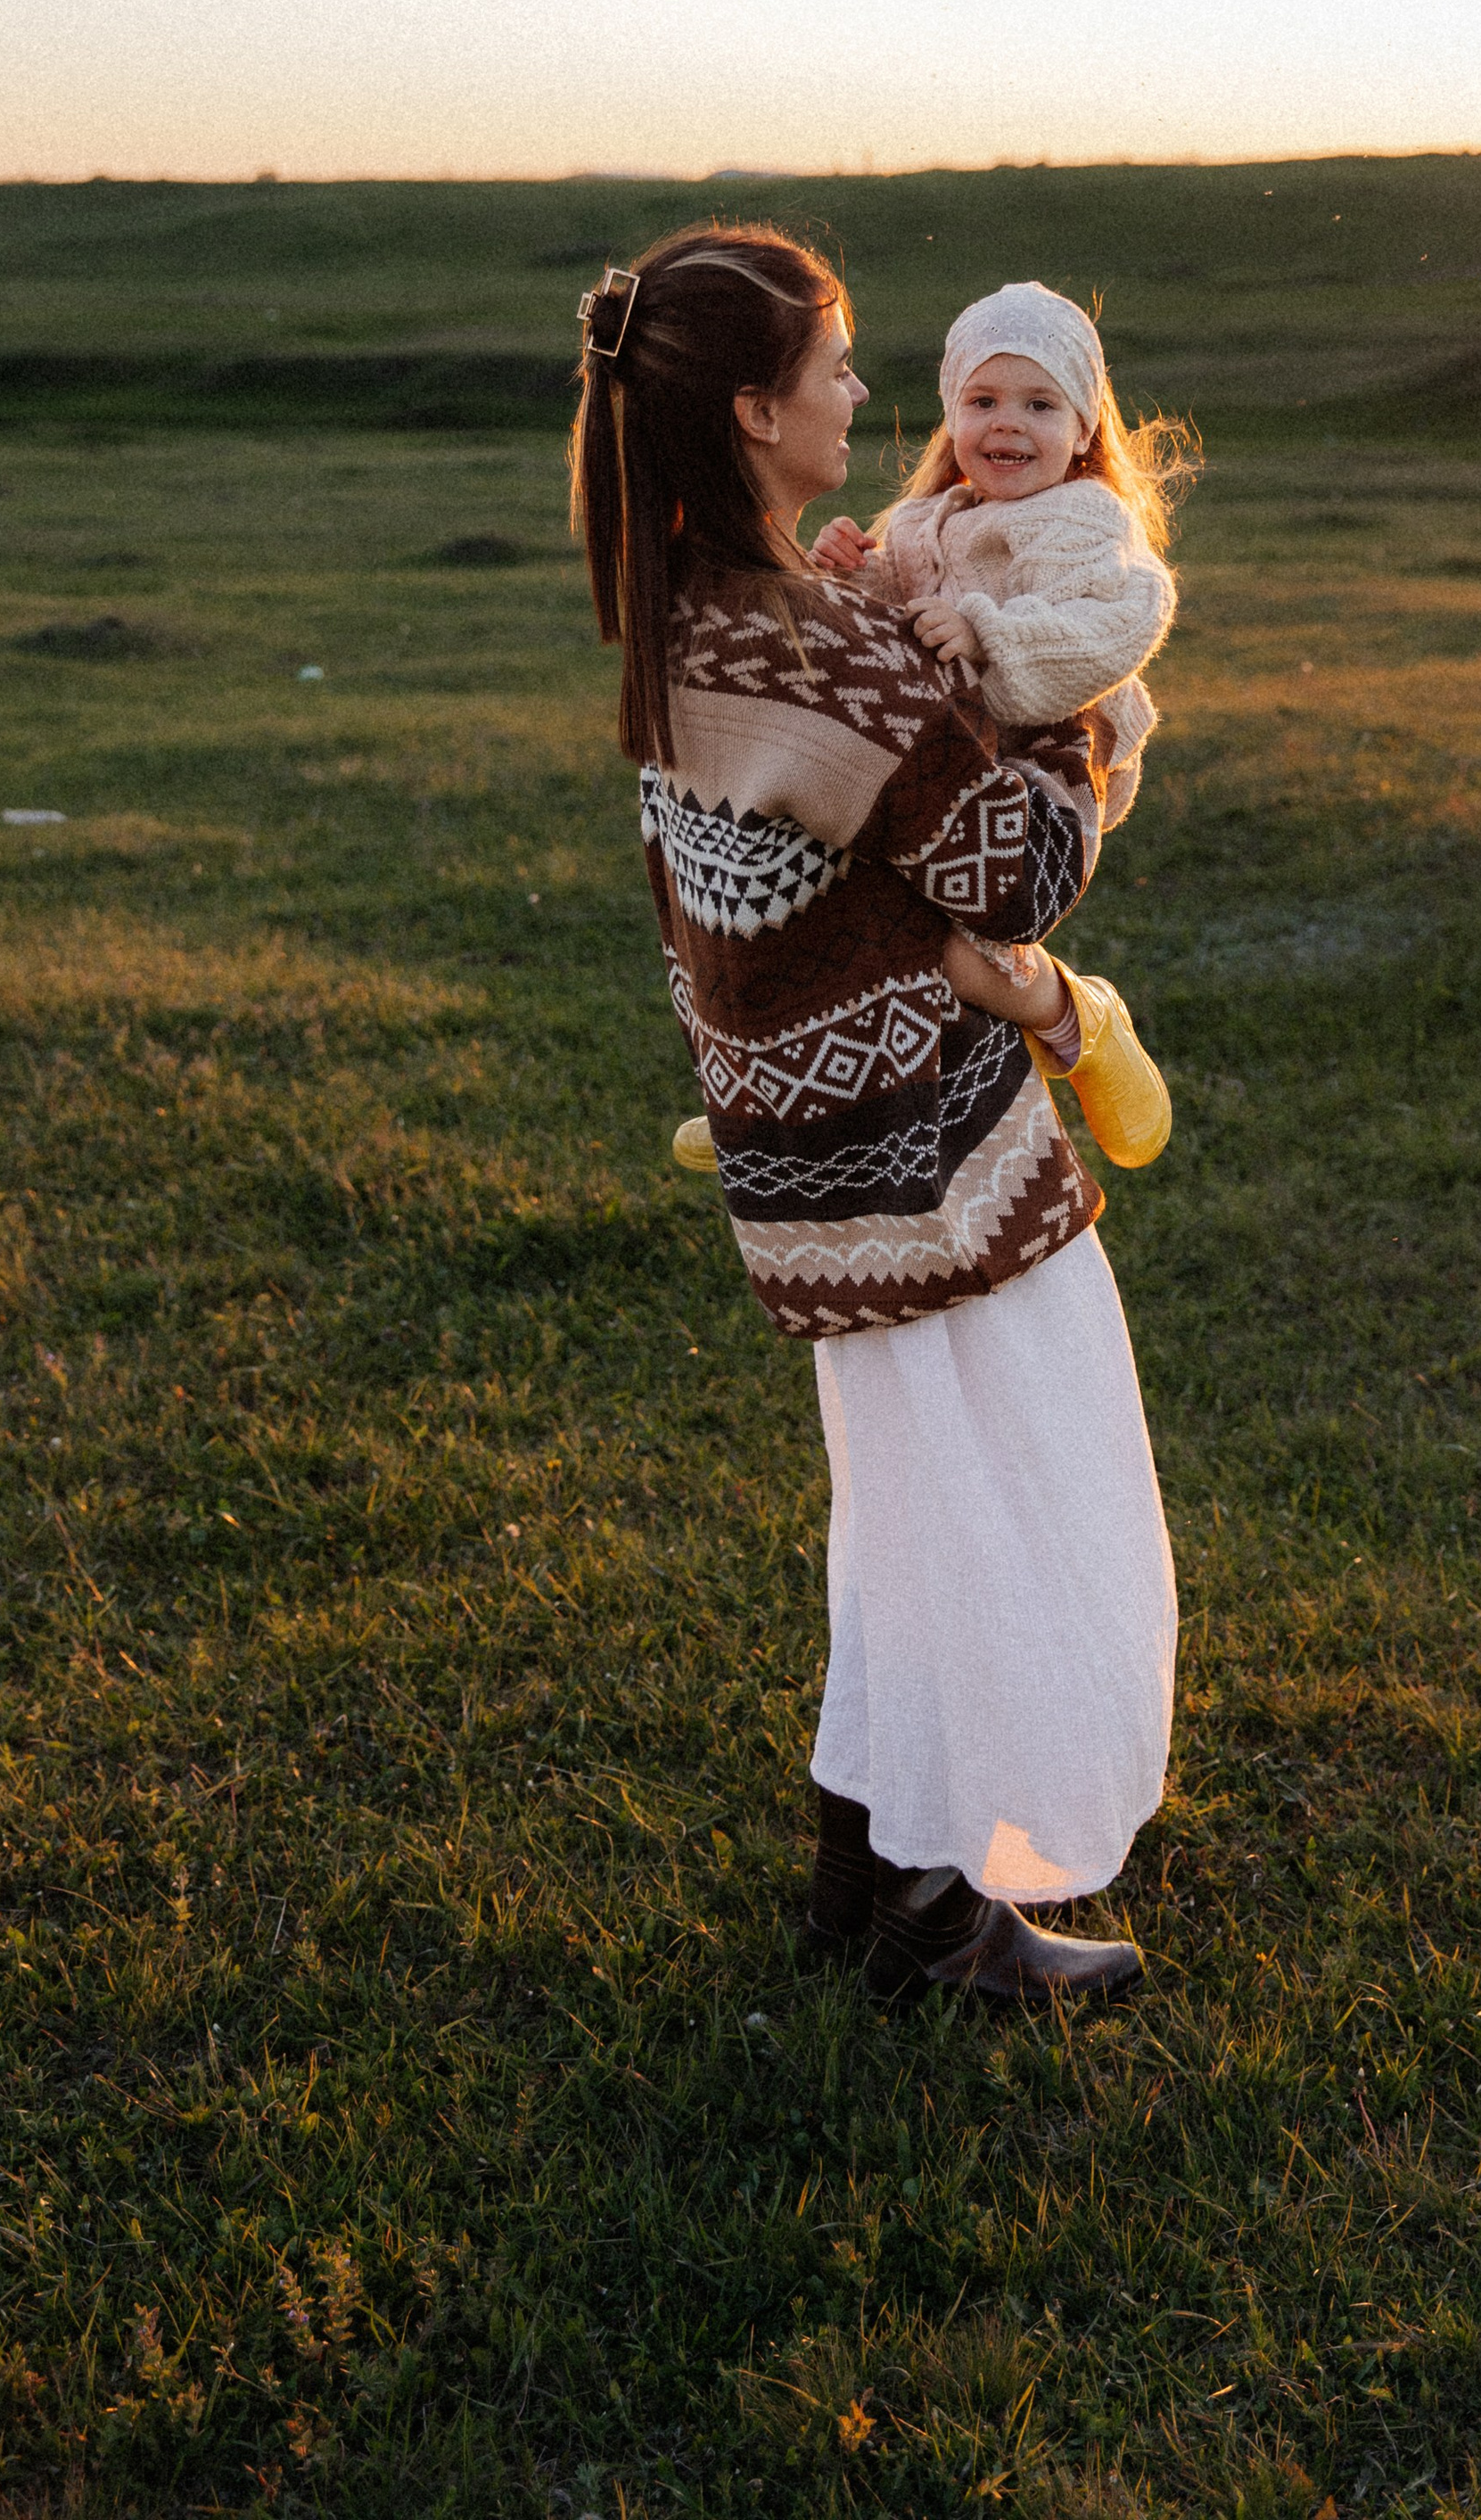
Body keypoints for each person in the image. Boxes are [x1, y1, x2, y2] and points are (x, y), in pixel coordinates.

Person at [569, 225, 1175, 2003]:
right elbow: (1017, 866)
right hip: (906, 1152)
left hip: (818, 1143)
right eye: (835, 369)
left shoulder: (689, 593)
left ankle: (873, 1881)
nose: (863, 393)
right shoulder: (810, 636)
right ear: (758, 411)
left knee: (914, 1510)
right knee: (987, 1507)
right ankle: (922, 1917)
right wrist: (1084, 718)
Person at [809, 279, 1186, 1164]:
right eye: (982, 400)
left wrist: (985, 633)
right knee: (842, 916)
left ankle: (1081, 1021)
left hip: (1047, 766)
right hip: (947, 764)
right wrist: (846, 578)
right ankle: (802, 1102)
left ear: (1084, 427)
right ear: (950, 415)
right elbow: (887, 635)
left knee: (964, 958)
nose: (1006, 423)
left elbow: (1119, 624)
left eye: (1038, 403)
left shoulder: (1085, 523)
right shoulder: (918, 524)